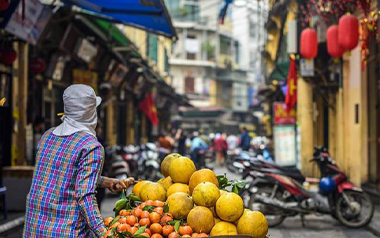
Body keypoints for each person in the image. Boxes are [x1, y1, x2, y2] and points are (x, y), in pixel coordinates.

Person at [23, 85, 133, 238]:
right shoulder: (91, 146)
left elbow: (62, 174)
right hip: (67, 231)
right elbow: (85, 197)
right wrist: (105, 234)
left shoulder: (47, 136)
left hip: (35, 229)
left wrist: (103, 181)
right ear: (91, 113)